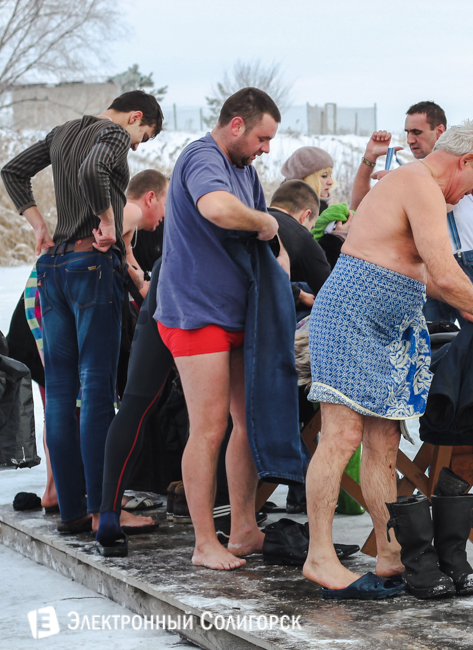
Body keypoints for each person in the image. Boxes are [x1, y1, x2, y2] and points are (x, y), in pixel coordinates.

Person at [302, 120, 473, 598]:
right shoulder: (418, 183)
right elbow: (444, 267)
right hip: (349, 316)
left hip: (383, 327)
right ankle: (319, 556)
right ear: (463, 162)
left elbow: (422, 273)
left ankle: (392, 553)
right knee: (342, 435)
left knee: (383, 437)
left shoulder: (424, 190)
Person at [1, 90, 163, 534]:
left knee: (60, 391)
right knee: (95, 392)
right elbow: (95, 167)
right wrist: (107, 220)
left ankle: (71, 510)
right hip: (92, 267)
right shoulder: (110, 133)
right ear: (135, 117)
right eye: (141, 138)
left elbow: (12, 171)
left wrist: (38, 225)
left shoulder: (61, 132)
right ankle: (104, 512)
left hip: (53, 269)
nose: (134, 147)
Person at [153, 88, 284, 570]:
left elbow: (264, 239)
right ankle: (204, 542)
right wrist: (265, 222)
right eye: (262, 138)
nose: (265, 149)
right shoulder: (202, 157)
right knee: (208, 428)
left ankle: (245, 529)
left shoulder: (245, 171)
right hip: (195, 313)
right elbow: (217, 209)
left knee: (246, 425)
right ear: (236, 125)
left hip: (236, 314)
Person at [351, 101, 473, 324]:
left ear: (440, 131)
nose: (410, 139)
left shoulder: (463, 166)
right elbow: (358, 207)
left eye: (417, 132)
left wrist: (399, 182)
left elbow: (441, 205)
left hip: (470, 258)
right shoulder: (413, 174)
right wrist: (370, 159)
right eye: (408, 132)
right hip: (432, 267)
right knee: (438, 333)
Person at [267, 179, 332, 309]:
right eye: (311, 226)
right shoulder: (300, 234)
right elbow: (329, 290)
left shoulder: (255, 218)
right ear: (306, 215)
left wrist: (297, 293)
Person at [121, 169, 168, 298]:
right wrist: (132, 273)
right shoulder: (133, 210)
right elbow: (102, 242)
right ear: (150, 198)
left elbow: (126, 251)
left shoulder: (129, 225)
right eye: (165, 204)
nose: (165, 215)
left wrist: (141, 281)